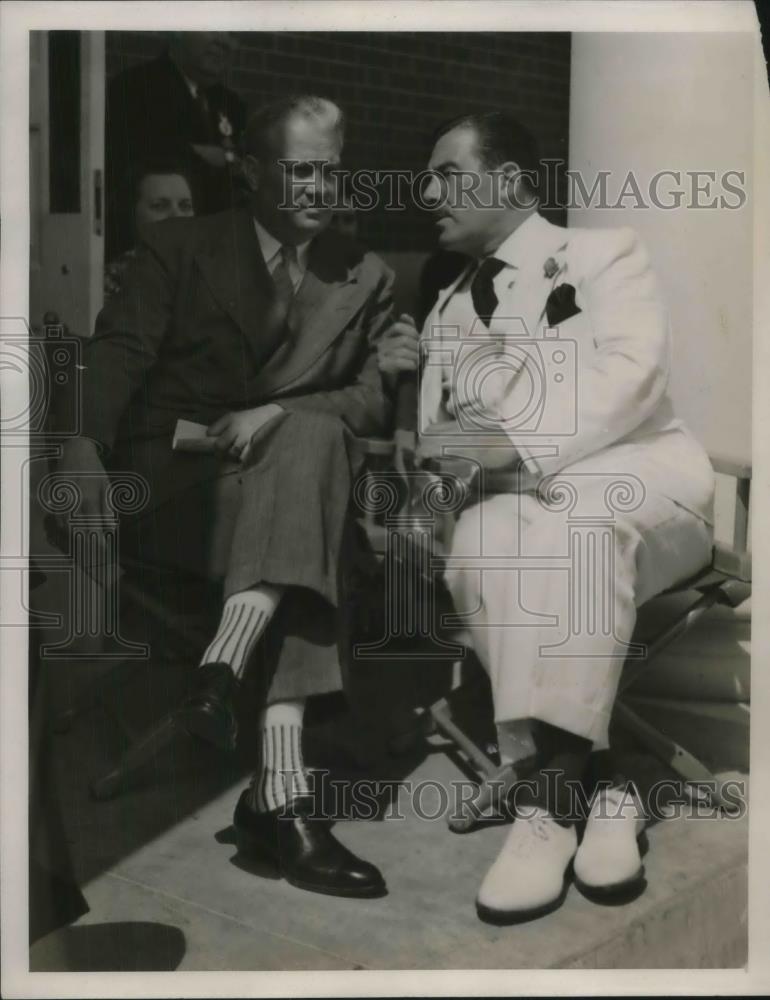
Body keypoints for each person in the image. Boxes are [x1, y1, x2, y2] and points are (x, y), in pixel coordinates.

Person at [377, 111, 715, 923]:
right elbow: (444, 445)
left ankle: (548, 802)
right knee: (481, 544)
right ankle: (608, 785)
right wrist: (408, 410)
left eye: (447, 174)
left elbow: (631, 374)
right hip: (518, 506)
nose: (427, 193)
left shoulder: (605, 254)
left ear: (514, 182)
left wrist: (515, 447)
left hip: (642, 485)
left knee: (579, 527)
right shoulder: (448, 307)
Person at [57, 96, 394, 899]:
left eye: (332, 169)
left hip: (282, 498)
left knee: (308, 453)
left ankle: (247, 722)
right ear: (252, 172)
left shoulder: (365, 271)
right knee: (308, 522)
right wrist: (79, 448)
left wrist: (281, 409)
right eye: (301, 168)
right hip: (181, 495)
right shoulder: (181, 247)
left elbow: (375, 399)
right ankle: (277, 799)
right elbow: (118, 355)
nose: (320, 185)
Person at [105, 32, 247, 257]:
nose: (224, 41)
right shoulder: (135, 87)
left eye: (233, 35)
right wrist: (204, 155)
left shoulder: (231, 104)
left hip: (215, 254)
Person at [104, 159, 196, 299]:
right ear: (132, 213)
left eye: (185, 206)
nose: (177, 216)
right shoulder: (112, 279)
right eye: (159, 206)